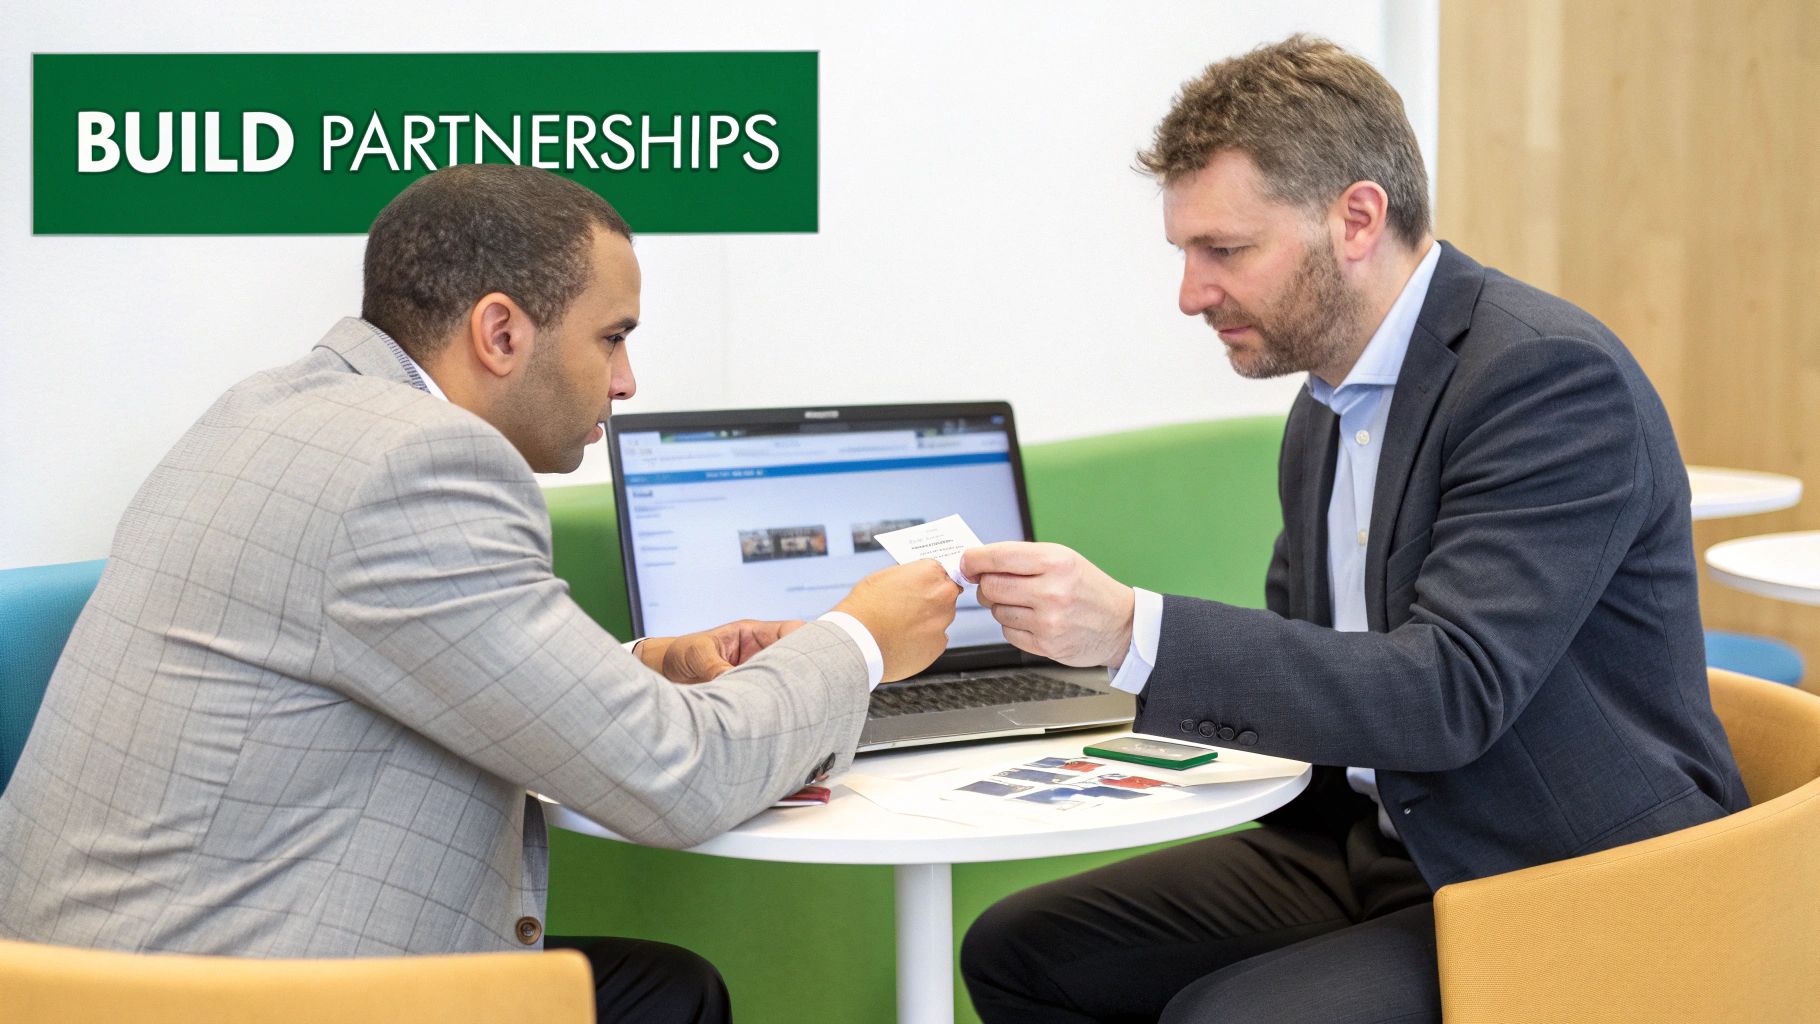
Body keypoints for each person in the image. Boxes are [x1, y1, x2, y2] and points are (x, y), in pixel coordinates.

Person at [0, 163, 961, 1024]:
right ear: (500, 331)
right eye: (612, 338)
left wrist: (645, 665)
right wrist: (860, 639)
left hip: (77, 974)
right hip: (225, 992)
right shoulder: (420, 461)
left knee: (667, 992)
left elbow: (398, 651)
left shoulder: (275, 408)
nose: (627, 381)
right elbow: (679, 778)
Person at [958, 35, 1746, 1024]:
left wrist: (1133, 632)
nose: (1190, 293)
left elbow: (1448, 691)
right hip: (1375, 837)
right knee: (1022, 952)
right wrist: (1102, 732)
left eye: (1226, 250)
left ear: (1356, 218)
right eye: (1185, 252)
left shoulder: (1542, 378)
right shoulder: (1323, 408)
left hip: (1554, 869)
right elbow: (1319, 663)